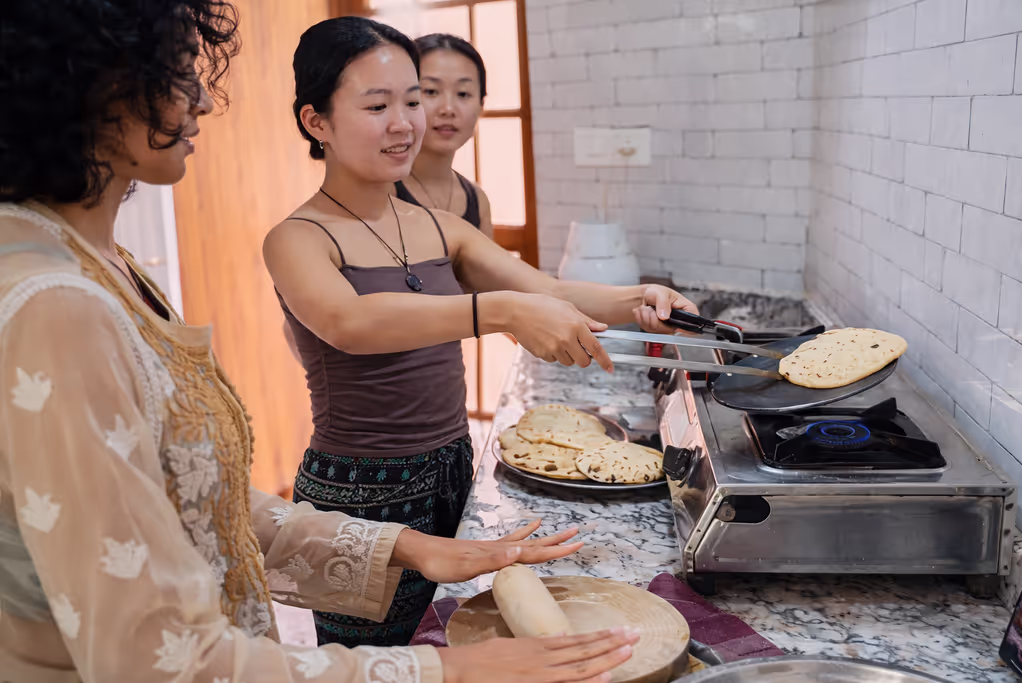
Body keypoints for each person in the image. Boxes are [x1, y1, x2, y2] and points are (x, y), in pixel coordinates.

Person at [0, 2, 642, 681]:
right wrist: (451, 671)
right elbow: (161, 660)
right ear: (93, 88)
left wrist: (404, 546)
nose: (204, 101)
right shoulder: (55, 304)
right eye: (178, 74)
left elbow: (202, 496)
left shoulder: (104, 266)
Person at [263, 16, 698, 650]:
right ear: (316, 122)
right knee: (371, 660)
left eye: (411, 100)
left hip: (451, 465)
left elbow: (541, 289)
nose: (405, 122)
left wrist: (640, 298)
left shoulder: (437, 225)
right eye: (377, 105)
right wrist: (494, 312)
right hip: (358, 490)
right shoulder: (297, 237)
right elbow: (349, 324)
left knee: (451, 644)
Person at [394, 34, 492, 237]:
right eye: (430, 91)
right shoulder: (376, 192)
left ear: (481, 105)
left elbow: (489, 270)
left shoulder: (476, 199)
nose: (448, 109)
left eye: (463, 94)